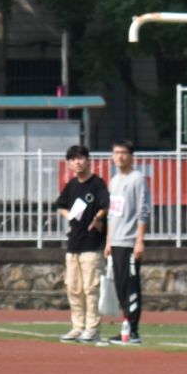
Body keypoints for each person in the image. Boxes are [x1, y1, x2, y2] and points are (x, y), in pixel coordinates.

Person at [53, 145, 109, 343]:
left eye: (80, 158)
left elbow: (105, 204)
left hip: (91, 244)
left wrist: (97, 218)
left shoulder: (97, 183)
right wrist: (69, 216)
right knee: (73, 288)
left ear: (88, 160)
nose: (77, 162)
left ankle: (92, 328)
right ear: (69, 164)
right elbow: (60, 205)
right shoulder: (72, 185)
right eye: (73, 159)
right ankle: (77, 327)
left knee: (90, 288)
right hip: (73, 244)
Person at [105, 140, 150, 346]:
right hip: (116, 242)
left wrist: (139, 241)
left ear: (131, 156)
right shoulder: (114, 181)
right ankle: (125, 328)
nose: (119, 156)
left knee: (131, 286)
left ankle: (133, 331)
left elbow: (143, 210)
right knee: (120, 286)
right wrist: (108, 241)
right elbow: (112, 214)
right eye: (116, 152)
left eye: (123, 152)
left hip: (130, 241)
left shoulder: (137, 179)